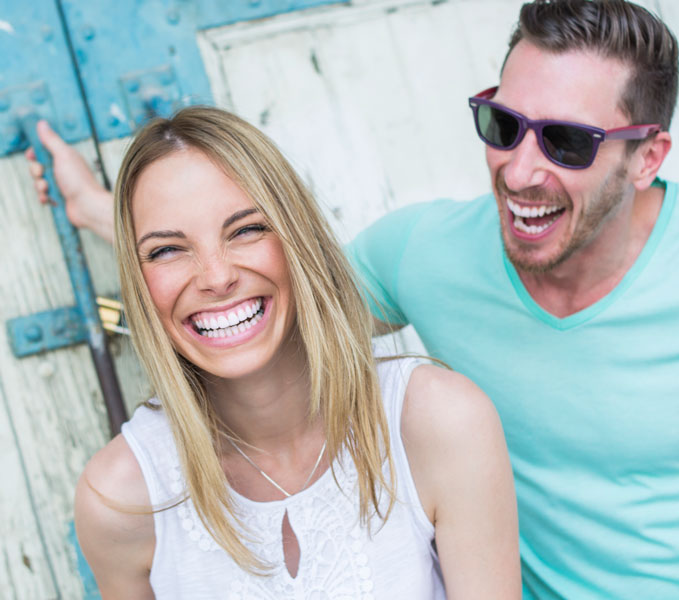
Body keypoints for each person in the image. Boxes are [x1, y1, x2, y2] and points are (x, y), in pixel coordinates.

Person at [25, 1, 679, 598]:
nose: (520, 170)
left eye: (566, 143)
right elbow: (269, 309)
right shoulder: (423, 253)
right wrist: (108, 214)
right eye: (503, 125)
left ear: (647, 156)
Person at [67, 106, 519, 598]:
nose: (217, 278)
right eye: (167, 250)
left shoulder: (437, 422)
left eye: (246, 230)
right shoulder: (119, 500)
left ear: (297, 240)